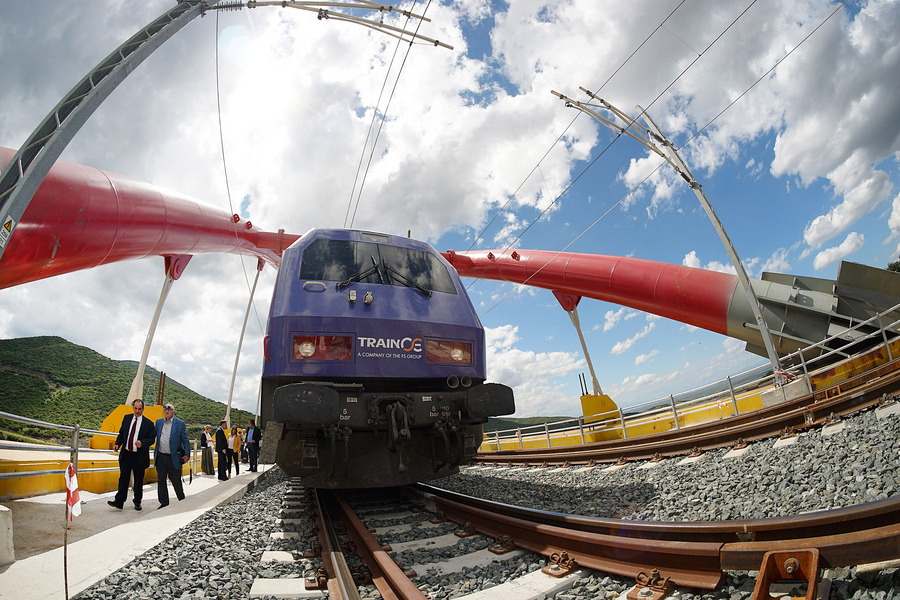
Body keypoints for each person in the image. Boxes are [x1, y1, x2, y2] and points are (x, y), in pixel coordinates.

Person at [108, 399, 155, 511]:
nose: (137, 411)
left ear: (143, 409)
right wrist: (117, 444)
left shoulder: (148, 423)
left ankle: (137, 502)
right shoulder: (127, 418)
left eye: (139, 409)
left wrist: (142, 443)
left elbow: (152, 439)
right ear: (133, 408)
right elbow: (122, 433)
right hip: (126, 454)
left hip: (139, 456)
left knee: (138, 481)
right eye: (135, 408)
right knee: (123, 478)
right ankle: (119, 501)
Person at [153, 403, 191, 509]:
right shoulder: (159, 422)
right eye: (165, 409)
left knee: (176, 481)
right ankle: (164, 503)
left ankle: (181, 500)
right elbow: (152, 435)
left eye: (169, 409)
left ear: (173, 411)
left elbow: (185, 440)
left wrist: (187, 454)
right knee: (161, 481)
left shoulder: (180, 424)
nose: (167, 410)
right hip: (161, 457)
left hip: (173, 457)